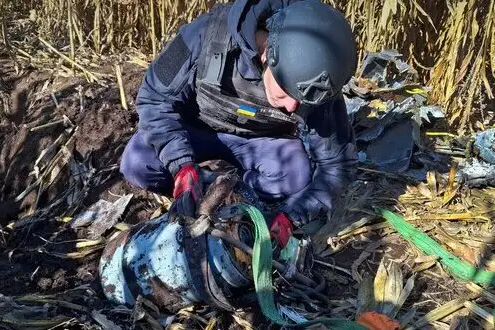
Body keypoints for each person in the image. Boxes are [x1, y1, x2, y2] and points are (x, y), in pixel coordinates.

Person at [120, 0, 358, 246]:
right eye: (286, 92)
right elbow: (154, 98)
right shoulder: (205, 35)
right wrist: (180, 164)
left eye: (299, 101)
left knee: (297, 174)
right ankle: (196, 181)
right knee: (138, 162)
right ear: (268, 53)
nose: (291, 107)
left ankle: (230, 192)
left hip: (258, 144)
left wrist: (293, 216)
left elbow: (336, 164)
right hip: (195, 132)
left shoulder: (315, 82)